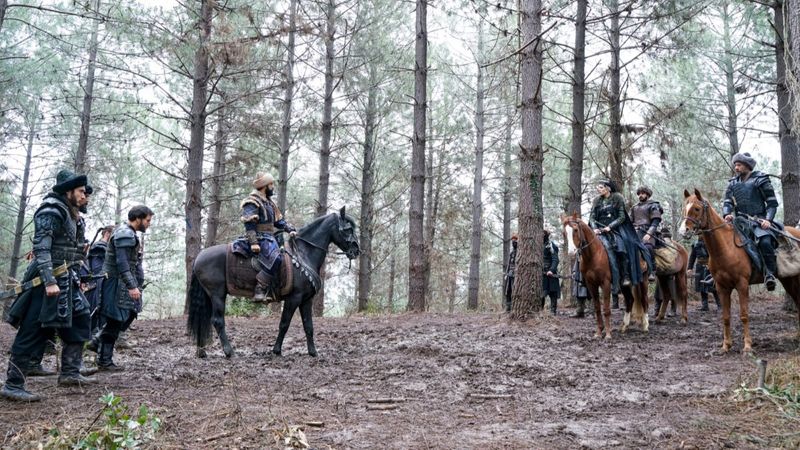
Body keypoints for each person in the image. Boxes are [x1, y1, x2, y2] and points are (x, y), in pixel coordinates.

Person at [2, 170, 95, 401]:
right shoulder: (51, 209)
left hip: (66, 278)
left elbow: (66, 247)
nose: (85, 196)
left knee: (82, 317)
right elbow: (42, 248)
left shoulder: (69, 212)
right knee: (34, 329)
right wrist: (49, 281)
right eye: (82, 192)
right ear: (69, 191)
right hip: (46, 280)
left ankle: (70, 372)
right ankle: (13, 384)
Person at [94, 205, 154, 371]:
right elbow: (122, 263)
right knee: (116, 319)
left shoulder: (128, 233)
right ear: (138, 218)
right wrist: (131, 285)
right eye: (147, 220)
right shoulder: (125, 234)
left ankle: (98, 345)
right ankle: (104, 358)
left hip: (120, 283)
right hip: (115, 283)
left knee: (123, 317)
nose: (149, 224)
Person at [722, 152, 780, 291]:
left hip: (759, 221)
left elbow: (772, 203)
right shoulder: (732, 183)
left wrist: (768, 220)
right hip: (739, 222)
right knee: (721, 241)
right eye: (735, 165)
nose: (736, 167)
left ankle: (769, 274)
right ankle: (718, 273)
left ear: (747, 166)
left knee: (765, 241)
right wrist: (727, 214)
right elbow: (727, 202)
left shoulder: (761, 179)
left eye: (739, 165)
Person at [241, 173, 296, 301]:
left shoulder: (269, 203)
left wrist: (290, 229)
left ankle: (275, 289)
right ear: (265, 186)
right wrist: (254, 242)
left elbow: (278, 222)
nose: (273, 187)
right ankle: (260, 288)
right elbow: (249, 223)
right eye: (271, 184)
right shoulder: (252, 201)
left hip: (270, 237)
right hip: (259, 238)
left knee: (285, 257)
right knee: (276, 258)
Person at [589, 180, 645, 293]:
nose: (598, 189)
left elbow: (622, 217)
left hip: (615, 229)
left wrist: (610, 227)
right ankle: (582, 278)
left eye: (600, 187)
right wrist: (594, 228)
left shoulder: (617, 197)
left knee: (622, 245)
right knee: (585, 247)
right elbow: (592, 217)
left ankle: (625, 276)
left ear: (608, 188)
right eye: (597, 187)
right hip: (598, 230)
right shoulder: (596, 200)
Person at [629, 186, 661, 282]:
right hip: (635, 233)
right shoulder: (634, 207)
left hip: (648, 231)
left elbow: (655, 222)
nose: (640, 195)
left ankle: (652, 270)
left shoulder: (654, 205)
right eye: (639, 194)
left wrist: (649, 234)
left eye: (643, 193)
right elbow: (629, 222)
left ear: (647, 194)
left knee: (648, 247)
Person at [687, 238, 720, 312]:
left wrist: (712, 264)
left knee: (713, 287)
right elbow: (692, 256)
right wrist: (690, 268)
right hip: (699, 267)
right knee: (702, 286)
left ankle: (720, 305)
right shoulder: (695, 243)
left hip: (710, 267)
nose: (699, 235)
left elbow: (715, 255)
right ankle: (705, 306)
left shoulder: (710, 241)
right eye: (698, 234)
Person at [541, 230, 560, 315]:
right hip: (541, 274)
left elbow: (555, 259)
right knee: (541, 293)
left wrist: (551, 270)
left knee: (553, 293)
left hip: (551, 273)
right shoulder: (538, 245)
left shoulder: (551, 246)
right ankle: (540, 312)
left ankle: (553, 313)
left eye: (544, 234)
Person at [503, 234, 518, 313]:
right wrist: (506, 273)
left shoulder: (520, 252)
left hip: (517, 275)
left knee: (515, 291)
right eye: (512, 240)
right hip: (509, 274)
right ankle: (508, 309)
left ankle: (515, 309)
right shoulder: (512, 253)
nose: (513, 241)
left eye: (515, 240)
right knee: (508, 291)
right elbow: (509, 264)